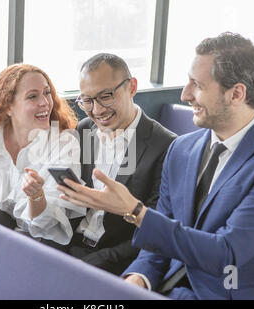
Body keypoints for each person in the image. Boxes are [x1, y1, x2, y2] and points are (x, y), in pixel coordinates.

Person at [58, 32, 254, 299]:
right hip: (172, 289)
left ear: (236, 93)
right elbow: (159, 242)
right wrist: (136, 280)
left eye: (197, 85)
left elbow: (226, 253)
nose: (185, 94)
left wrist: (134, 210)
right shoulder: (182, 149)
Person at [66, 53, 176, 275]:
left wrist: (93, 262)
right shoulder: (85, 128)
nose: (97, 110)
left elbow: (154, 229)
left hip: (115, 259)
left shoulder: (167, 146)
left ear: (132, 87)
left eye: (106, 96)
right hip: (70, 244)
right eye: (87, 100)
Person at [0, 64, 85, 247]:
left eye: (47, 93)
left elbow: (46, 226)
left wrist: (36, 196)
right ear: (8, 106)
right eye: (33, 96)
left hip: (38, 244)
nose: (45, 103)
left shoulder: (64, 144)